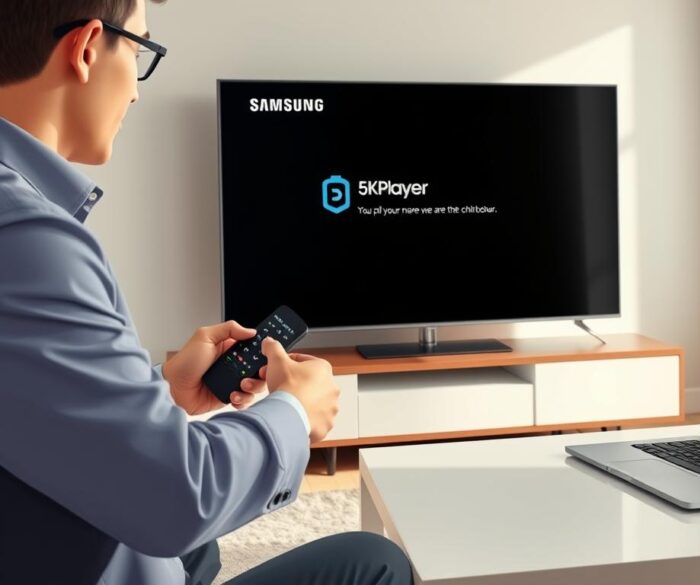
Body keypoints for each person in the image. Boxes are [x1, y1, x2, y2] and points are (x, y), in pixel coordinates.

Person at [0, 1, 412, 583]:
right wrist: (295, 413)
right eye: (140, 51)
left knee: (202, 552)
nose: (136, 92)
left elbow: (30, 411)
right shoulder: (27, 239)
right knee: (375, 562)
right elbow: (174, 498)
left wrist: (162, 396)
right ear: (88, 48)